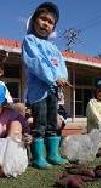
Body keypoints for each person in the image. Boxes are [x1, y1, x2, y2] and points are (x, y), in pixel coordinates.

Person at [22, 2, 68, 169]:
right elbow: (36, 63)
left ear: (53, 28)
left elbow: (61, 66)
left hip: (53, 92)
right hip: (38, 92)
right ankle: (39, 157)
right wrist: (53, 78)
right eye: (43, 19)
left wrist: (62, 77)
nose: (46, 24)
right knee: (40, 123)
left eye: (50, 22)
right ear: (34, 20)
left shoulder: (54, 48)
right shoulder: (29, 41)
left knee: (52, 123)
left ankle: (53, 154)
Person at [0, 85, 31, 176]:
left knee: (16, 125)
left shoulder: (12, 114)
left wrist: (27, 135)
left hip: (12, 149)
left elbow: (25, 129)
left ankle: (9, 166)